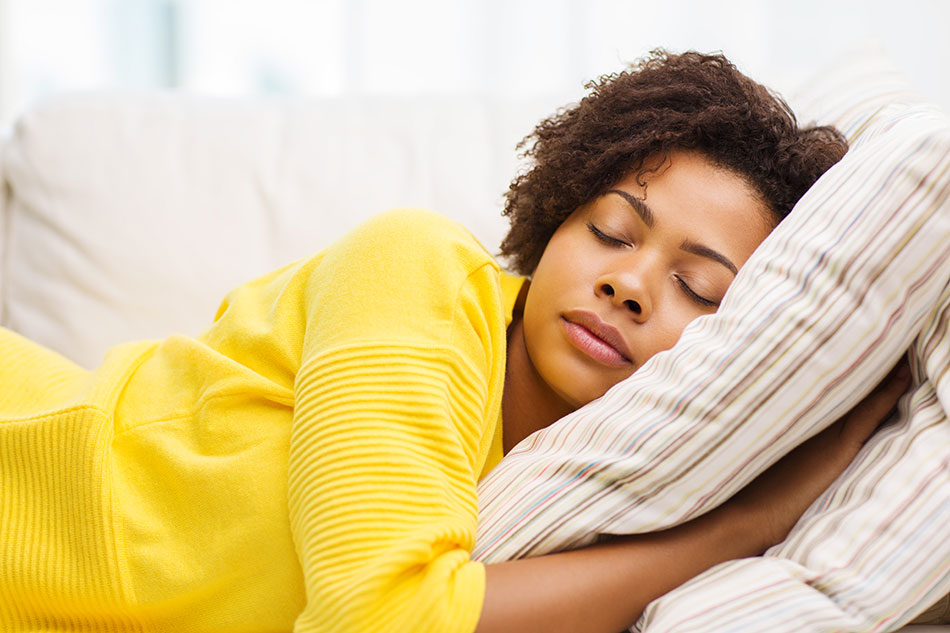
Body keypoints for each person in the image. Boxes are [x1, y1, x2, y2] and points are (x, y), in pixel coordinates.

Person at [0, 50, 908, 633]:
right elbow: (383, 615)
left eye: (696, 286)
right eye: (611, 230)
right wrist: (745, 527)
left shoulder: (588, 490)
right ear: (556, 218)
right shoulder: (418, 268)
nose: (628, 284)